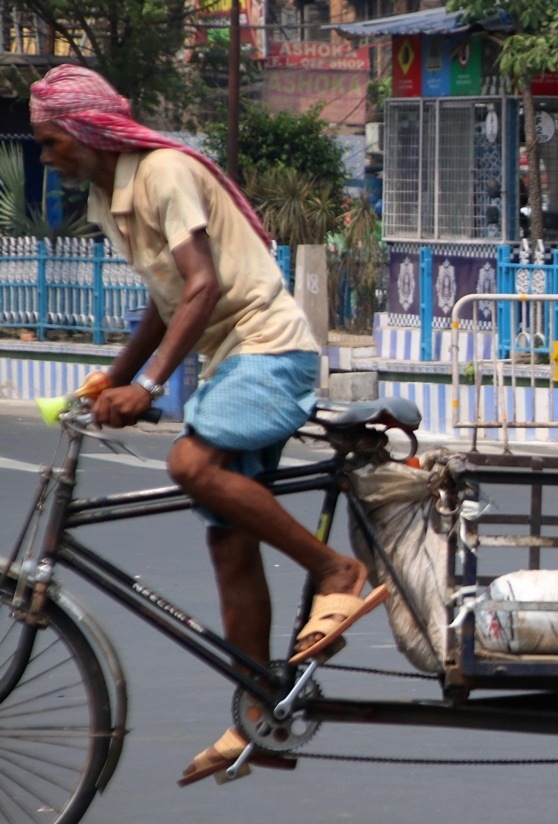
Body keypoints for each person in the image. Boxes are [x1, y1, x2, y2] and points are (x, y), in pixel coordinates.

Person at [29, 65, 388, 785]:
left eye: (49, 142)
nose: (47, 157)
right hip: (232, 358)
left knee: (189, 466)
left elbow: (205, 285)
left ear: (81, 131)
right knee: (227, 540)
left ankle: (338, 572)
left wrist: (152, 385)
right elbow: (166, 301)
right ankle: (262, 713)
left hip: (269, 348)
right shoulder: (111, 198)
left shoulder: (163, 172)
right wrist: (117, 377)